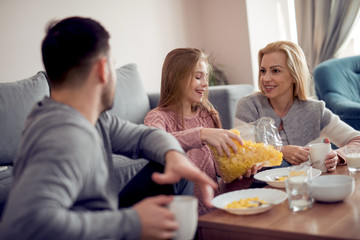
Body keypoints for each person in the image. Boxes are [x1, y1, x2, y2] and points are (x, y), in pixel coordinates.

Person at [0, 17, 218, 240]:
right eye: (114, 66)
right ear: (103, 69)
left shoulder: (92, 119)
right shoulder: (62, 135)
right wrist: (132, 222)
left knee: (174, 171)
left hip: (100, 221)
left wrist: (174, 156)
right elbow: (24, 226)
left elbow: (145, 136)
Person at [144, 48, 259, 216]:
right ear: (175, 78)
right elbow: (155, 142)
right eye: (198, 77)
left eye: (206, 77)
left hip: (215, 208)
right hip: (181, 214)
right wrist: (201, 134)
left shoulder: (207, 114)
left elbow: (220, 171)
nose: (205, 83)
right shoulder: (156, 118)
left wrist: (241, 169)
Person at [234, 41, 360, 170]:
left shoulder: (315, 110)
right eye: (263, 71)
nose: (265, 78)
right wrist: (280, 151)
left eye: (275, 71)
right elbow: (240, 152)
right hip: (260, 187)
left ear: (294, 75)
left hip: (308, 185)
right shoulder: (249, 106)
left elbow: (357, 140)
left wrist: (338, 155)